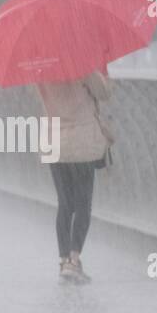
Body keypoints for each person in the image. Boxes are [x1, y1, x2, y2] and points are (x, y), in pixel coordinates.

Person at [36, 70, 114, 283]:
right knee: (82, 204)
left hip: (54, 141)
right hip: (81, 143)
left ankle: (63, 260)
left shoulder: (42, 66)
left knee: (65, 203)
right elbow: (104, 92)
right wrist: (102, 74)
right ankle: (74, 259)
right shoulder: (82, 64)